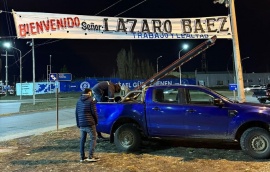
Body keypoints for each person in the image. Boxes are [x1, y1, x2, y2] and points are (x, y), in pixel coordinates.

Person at [75, 88, 99, 163]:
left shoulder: (78, 101)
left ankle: (82, 157)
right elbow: (94, 112)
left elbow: (76, 113)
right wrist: (96, 121)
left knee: (82, 140)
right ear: (89, 93)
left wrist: (78, 123)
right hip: (89, 123)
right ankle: (90, 156)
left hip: (82, 124)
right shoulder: (91, 100)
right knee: (93, 139)